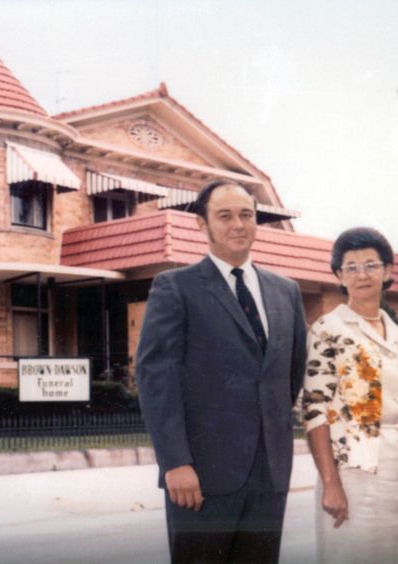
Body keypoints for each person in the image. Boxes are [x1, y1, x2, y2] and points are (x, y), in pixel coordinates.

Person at [135, 180, 307, 563]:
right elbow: (157, 382)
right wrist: (175, 462)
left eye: (246, 215)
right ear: (203, 224)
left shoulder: (286, 291)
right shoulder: (175, 287)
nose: (238, 224)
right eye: (224, 215)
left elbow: (288, 376)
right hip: (201, 477)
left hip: (269, 474)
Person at [302, 227, 398, 564]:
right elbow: (315, 410)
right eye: (351, 267)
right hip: (352, 472)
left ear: (387, 272)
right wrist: (331, 483)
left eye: (371, 265)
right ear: (339, 276)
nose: (362, 275)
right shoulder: (328, 329)